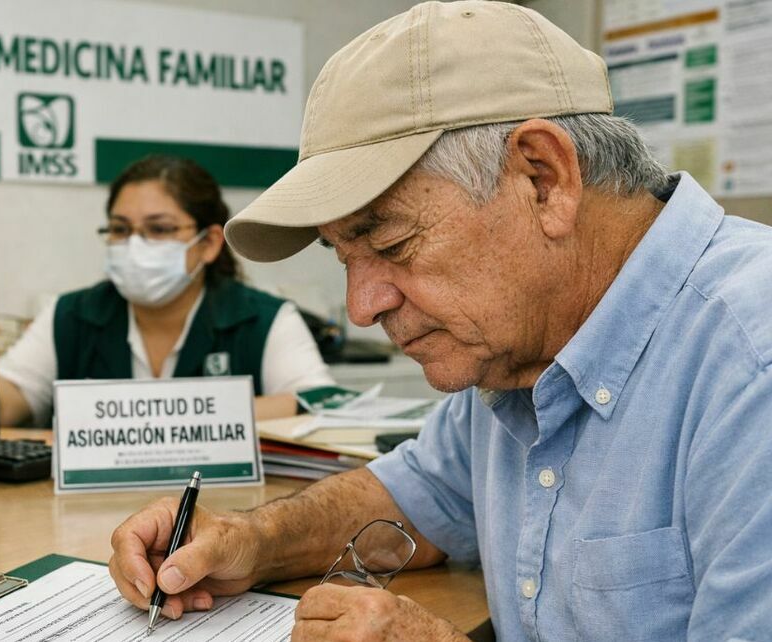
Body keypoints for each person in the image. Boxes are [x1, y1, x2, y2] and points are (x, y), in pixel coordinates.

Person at [108, 2, 772, 640]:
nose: (362, 305)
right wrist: (249, 541)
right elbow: (418, 494)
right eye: (344, 258)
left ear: (543, 179)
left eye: (392, 244)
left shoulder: (750, 361)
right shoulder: (518, 348)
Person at [0, 155, 334, 427]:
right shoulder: (70, 315)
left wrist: (155, 416)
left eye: (159, 229)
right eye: (120, 229)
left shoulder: (265, 320)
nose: (135, 244)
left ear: (209, 243)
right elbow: (4, 401)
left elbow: (321, 402)